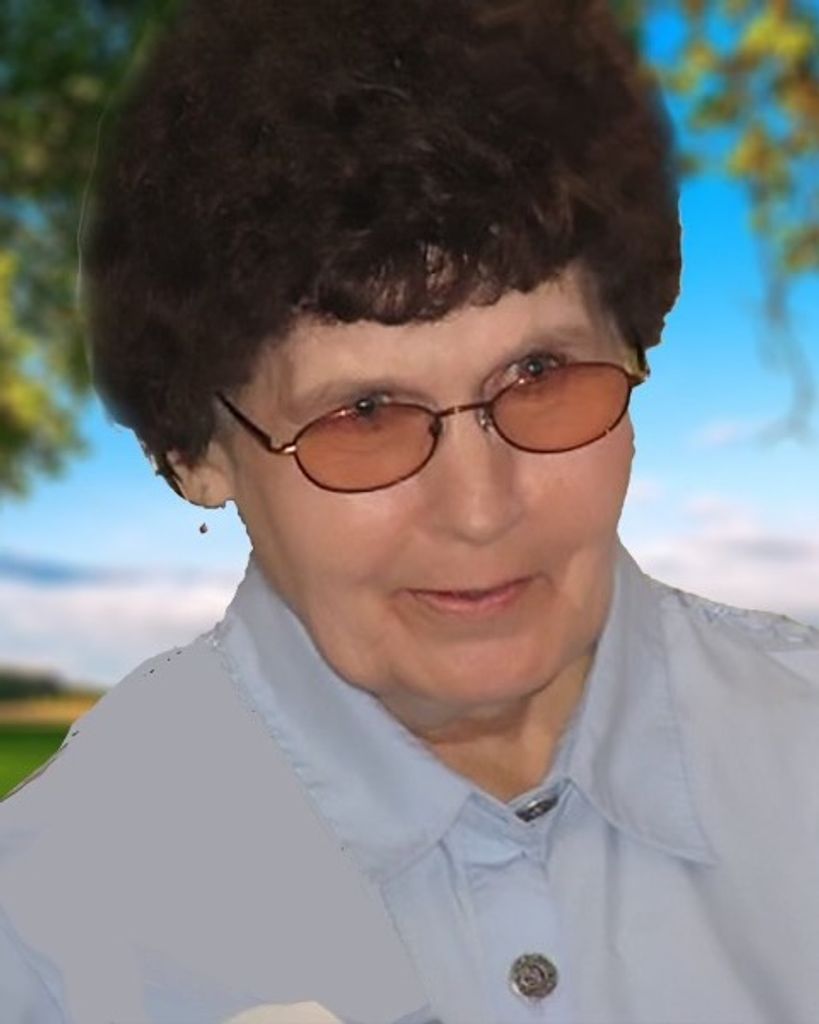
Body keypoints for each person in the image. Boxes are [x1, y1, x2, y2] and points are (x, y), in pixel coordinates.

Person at [1, 0, 818, 1021]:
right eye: (365, 415)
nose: (479, 511)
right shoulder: (44, 937)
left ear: (639, 351)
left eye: (539, 374)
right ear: (194, 451)